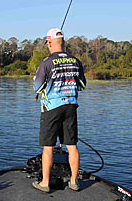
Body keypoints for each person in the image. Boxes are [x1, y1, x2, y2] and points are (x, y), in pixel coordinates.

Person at [31, 28, 87, 193]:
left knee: (48, 147)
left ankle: (45, 183)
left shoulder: (46, 62)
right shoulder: (76, 61)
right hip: (71, 106)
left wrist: (36, 80)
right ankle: (74, 182)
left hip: (51, 108)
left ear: (49, 43)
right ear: (63, 42)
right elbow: (82, 85)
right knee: (72, 145)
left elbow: (38, 87)